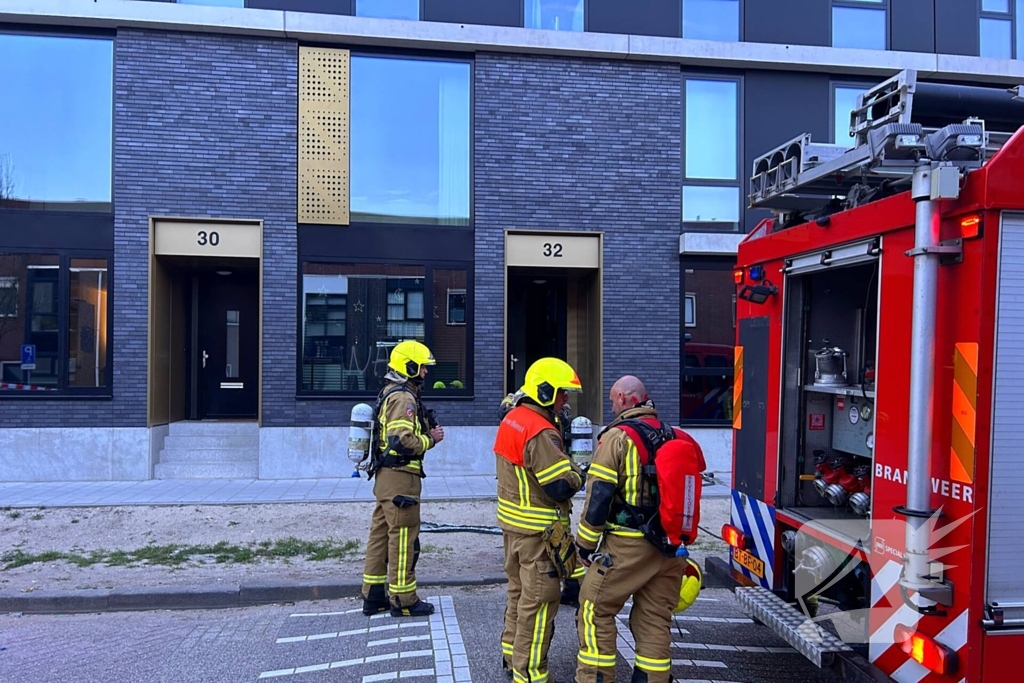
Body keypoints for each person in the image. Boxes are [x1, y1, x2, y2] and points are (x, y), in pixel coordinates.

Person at [573, 375, 707, 683]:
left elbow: (599, 497)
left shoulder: (617, 438)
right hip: (672, 548)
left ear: (622, 398)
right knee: (654, 618)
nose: (611, 405)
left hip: (628, 547)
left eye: (611, 400)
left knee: (594, 609)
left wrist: (585, 545)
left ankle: (595, 678)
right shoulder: (677, 436)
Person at [494, 358, 586, 682]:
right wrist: (579, 473)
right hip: (539, 533)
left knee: (519, 595)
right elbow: (560, 484)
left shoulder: (514, 418)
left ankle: (511, 655)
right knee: (540, 602)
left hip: (514, 528)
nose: (565, 401)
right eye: (562, 394)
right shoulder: (541, 432)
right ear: (545, 392)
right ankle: (530, 674)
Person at [360, 340, 445, 618]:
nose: (425, 373)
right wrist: (429, 439)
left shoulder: (390, 392)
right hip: (401, 478)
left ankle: (373, 596)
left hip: (387, 478)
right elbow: (402, 441)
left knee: (381, 535)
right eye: (421, 367)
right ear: (408, 366)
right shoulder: (403, 398)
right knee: (403, 537)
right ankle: (403, 599)